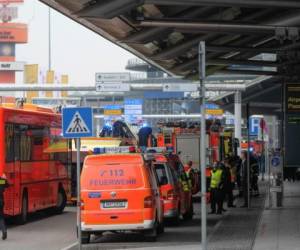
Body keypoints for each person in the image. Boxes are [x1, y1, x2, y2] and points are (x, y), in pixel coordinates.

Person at [0, 173, 9, 240]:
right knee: (1, 217)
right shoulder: (1, 180)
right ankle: (4, 231)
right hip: (1, 201)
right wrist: (4, 178)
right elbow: (7, 185)